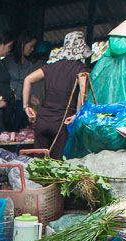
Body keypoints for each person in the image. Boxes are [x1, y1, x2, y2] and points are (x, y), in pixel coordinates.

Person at [23, 31, 92, 159]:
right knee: (58, 163)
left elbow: (28, 79)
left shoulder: (50, 67)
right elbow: (83, 90)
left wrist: (26, 106)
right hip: (62, 124)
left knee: (38, 163)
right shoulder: (81, 69)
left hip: (42, 121)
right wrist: (77, 114)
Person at [4, 32, 38, 131]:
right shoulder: (7, 61)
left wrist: (32, 95)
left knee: (20, 130)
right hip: (8, 103)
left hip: (22, 103)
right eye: (30, 46)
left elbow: (30, 84)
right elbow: (2, 81)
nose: (32, 49)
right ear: (23, 44)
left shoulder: (29, 65)